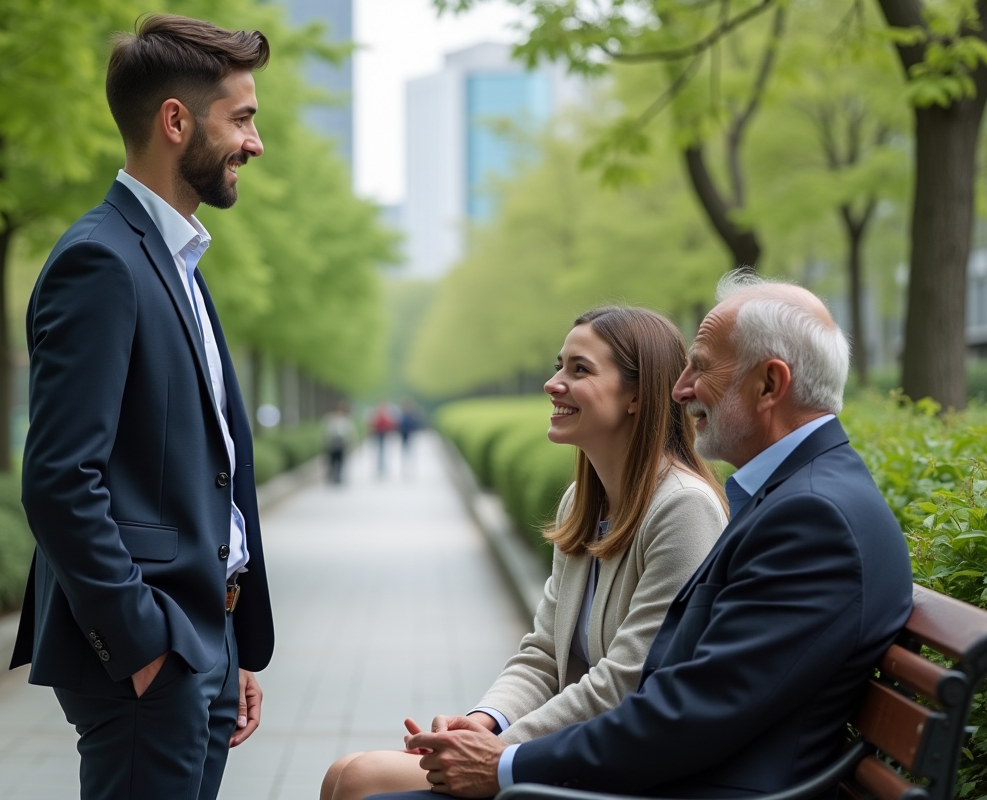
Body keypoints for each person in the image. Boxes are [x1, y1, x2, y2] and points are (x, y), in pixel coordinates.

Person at [374, 271, 914, 800]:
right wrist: (486, 729)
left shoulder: (811, 515)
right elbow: (678, 693)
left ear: (769, 384)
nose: (679, 390)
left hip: (690, 787)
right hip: (664, 775)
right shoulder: (795, 497)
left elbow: (690, 709)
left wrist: (505, 764)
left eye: (699, 368)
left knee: (364, 786)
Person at [9, 16, 274, 800]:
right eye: (244, 118)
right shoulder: (101, 260)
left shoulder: (177, 261)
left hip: (203, 637)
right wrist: (144, 645)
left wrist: (225, 643)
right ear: (175, 121)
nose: (255, 144)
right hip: (148, 655)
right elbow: (59, 479)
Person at [322, 307, 728, 800]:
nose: (553, 383)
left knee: (360, 778)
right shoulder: (582, 502)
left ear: (638, 396)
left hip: (619, 769)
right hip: (557, 752)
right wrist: (480, 723)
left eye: (579, 370)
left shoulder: (684, 508)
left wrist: (498, 754)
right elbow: (543, 654)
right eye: (559, 366)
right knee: (344, 772)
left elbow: (626, 682)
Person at [324, 402, 356, 484]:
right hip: (332, 443)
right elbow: (326, 431)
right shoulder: (330, 418)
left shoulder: (347, 420)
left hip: (342, 443)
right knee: (332, 460)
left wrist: (351, 443)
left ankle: (338, 476)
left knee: (341, 460)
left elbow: (351, 432)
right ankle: (332, 475)